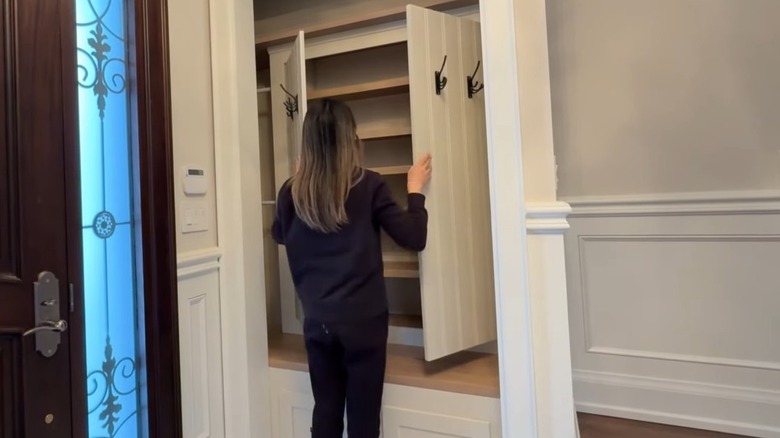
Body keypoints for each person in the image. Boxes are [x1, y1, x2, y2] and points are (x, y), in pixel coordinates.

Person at [272, 98, 431, 438]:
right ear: (351, 140)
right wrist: (415, 190)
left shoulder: (290, 193)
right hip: (364, 324)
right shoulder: (369, 185)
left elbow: (279, 235)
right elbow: (414, 237)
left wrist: (298, 181)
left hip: (318, 323)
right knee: (362, 420)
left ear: (308, 145)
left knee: (326, 411)